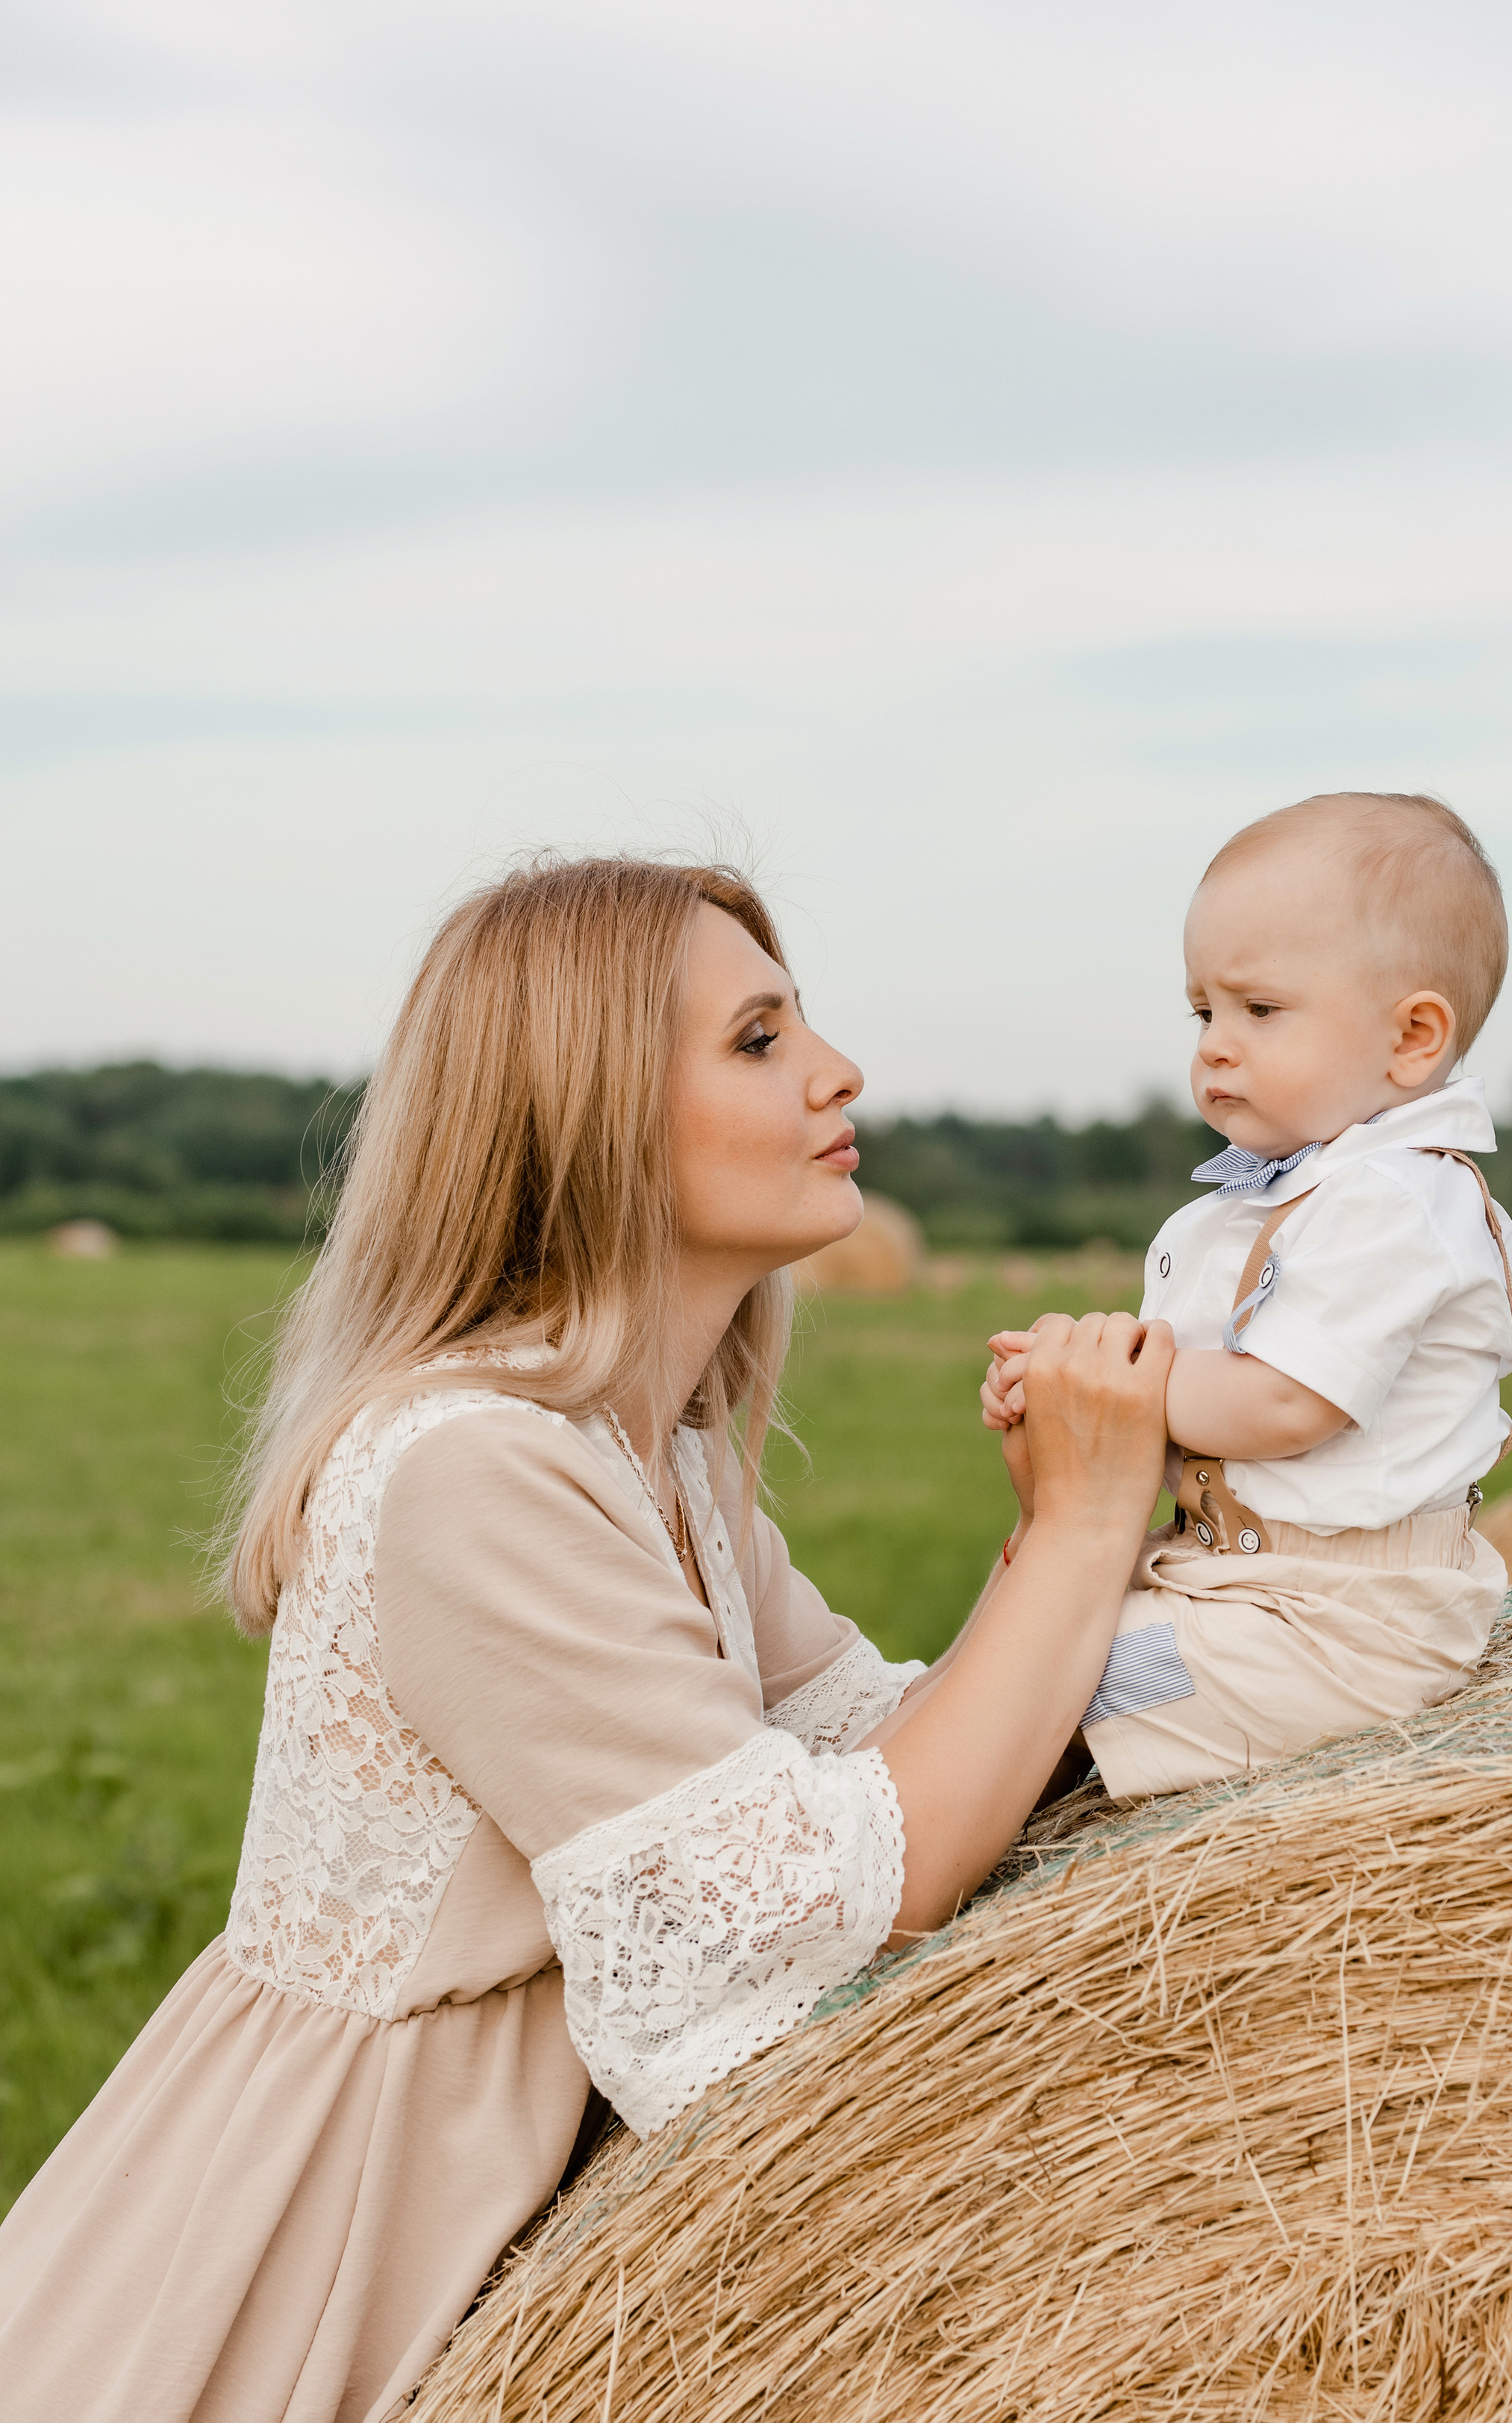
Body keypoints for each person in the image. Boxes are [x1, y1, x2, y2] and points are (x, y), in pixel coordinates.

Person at [0, 856, 1172, 2423]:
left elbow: (883, 1760)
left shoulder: (652, 1457)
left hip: (495, 2186)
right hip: (344, 2220)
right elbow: (845, 1892)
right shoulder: (473, 1472)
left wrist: (1059, 1535)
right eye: (758, 1040)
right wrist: (1088, 1534)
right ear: (589, 1107)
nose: (838, 1073)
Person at [984, 791, 1512, 1797]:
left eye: (1259, 1010)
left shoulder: (1397, 1202)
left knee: (1058, 1689)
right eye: (1203, 1012)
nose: (1215, 1045)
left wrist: (1112, 1389)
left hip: (1350, 1621)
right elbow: (1180, 1388)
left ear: (1412, 1039)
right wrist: (1060, 1388)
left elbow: (1283, 1404)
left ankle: (935, 1865)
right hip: (1238, 1581)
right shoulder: (1260, 1204)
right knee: (1015, 1634)